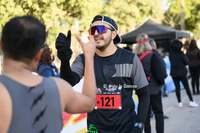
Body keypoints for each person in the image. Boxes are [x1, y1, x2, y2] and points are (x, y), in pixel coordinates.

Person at [0, 15, 97, 133]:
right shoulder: (59, 88)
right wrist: (89, 56)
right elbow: (89, 102)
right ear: (38, 54)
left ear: (1, 46)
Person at [56, 15, 150, 133]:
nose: (96, 33)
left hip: (126, 128)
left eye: (101, 29)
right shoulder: (84, 58)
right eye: (92, 30)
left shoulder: (130, 58)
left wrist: (140, 125)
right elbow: (69, 81)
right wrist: (64, 60)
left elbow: (144, 94)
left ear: (114, 34)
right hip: (95, 129)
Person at [133, 33, 165, 133]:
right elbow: (158, 74)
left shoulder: (134, 56)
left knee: (145, 117)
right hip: (154, 89)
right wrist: (161, 83)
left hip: (141, 90)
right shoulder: (152, 55)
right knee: (159, 114)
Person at [169, 40, 198, 108]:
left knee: (177, 88)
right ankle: (191, 101)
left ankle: (179, 103)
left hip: (174, 73)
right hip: (182, 72)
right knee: (186, 87)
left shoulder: (171, 53)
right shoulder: (181, 54)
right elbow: (187, 62)